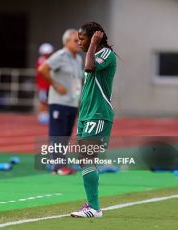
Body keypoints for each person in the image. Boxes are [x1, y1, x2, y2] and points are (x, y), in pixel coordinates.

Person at [70, 22, 117, 218]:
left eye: (82, 38)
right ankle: (92, 204)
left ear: (94, 38)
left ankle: (95, 208)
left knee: (86, 158)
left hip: (98, 114)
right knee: (86, 160)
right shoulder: (95, 54)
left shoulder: (105, 54)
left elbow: (90, 67)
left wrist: (92, 46)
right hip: (87, 114)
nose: (78, 42)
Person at [38, 29, 83, 175]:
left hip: (72, 102)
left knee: (65, 134)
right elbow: (43, 69)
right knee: (57, 134)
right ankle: (58, 166)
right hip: (59, 101)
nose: (79, 43)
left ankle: (60, 163)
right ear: (66, 42)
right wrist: (56, 85)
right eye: (76, 40)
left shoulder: (78, 59)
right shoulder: (60, 56)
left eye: (80, 40)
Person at [36, 43, 54, 124]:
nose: (47, 55)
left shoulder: (52, 59)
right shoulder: (41, 60)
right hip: (43, 85)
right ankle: (42, 115)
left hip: (50, 85)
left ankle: (47, 115)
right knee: (43, 101)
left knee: (49, 101)